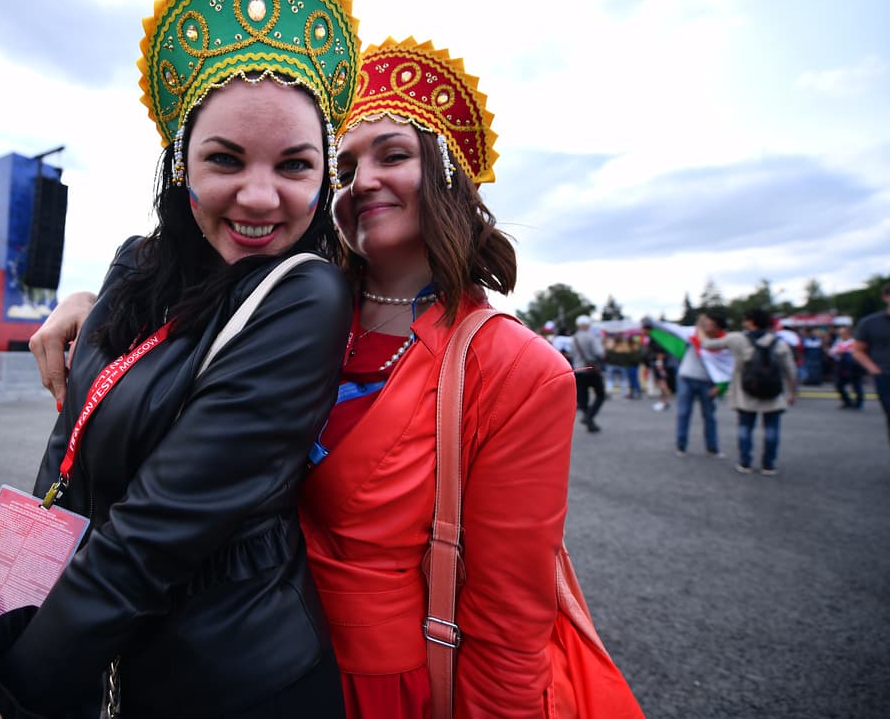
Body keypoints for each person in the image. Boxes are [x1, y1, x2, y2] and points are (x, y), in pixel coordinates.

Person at [34, 38, 595, 716]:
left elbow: (510, 620)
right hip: (213, 661)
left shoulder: (519, 370)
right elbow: (174, 294)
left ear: (448, 176)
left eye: (392, 154)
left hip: (378, 687)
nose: (362, 180)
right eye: (347, 162)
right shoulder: (279, 300)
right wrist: (93, 309)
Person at [0, 0, 360, 719]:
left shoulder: (307, 294)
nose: (258, 195)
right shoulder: (134, 267)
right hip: (115, 672)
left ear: (323, 178)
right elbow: (67, 466)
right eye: (224, 158)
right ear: (181, 163)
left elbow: (148, 536)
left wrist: (10, 696)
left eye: (293, 164)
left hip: (238, 685)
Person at [698, 308, 797, 475]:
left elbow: (707, 345)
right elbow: (790, 370)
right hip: (772, 392)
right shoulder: (778, 342)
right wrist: (791, 392)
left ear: (751, 321)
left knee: (745, 427)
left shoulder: (737, 338)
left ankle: (745, 462)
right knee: (771, 429)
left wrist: (700, 329)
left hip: (746, 391)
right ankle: (769, 465)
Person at [645, 313, 734, 456]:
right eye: (704, 322)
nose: (705, 325)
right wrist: (653, 322)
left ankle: (712, 447)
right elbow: (672, 329)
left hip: (707, 382)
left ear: (717, 326)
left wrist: (721, 386)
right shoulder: (693, 333)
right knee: (684, 413)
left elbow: (728, 366)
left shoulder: (723, 342)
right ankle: (681, 446)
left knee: (709, 415)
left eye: (709, 322)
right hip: (686, 377)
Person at [852, 281, 890, 442]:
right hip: (885, 375)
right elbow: (858, 350)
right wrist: (873, 369)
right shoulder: (870, 323)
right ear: (886, 297)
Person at [569, 314, 606, 432]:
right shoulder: (591, 337)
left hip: (579, 371)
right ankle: (589, 417)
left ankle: (588, 419)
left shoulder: (573, 338)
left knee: (583, 397)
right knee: (600, 395)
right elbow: (600, 353)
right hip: (591, 370)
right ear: (588, 325)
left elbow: (572, 355)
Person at [828, 325, 864, 410]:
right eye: (839, 333)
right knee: (839, 385)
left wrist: (841, 351)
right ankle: (847, 402)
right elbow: (832, 352)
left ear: (848, 334)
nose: (840, 335)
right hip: (841, 366)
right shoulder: (839, 341)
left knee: (856, 385)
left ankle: (858, 403)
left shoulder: (854, 342)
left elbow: (852, 352)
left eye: (842, 333)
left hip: (854, 367)